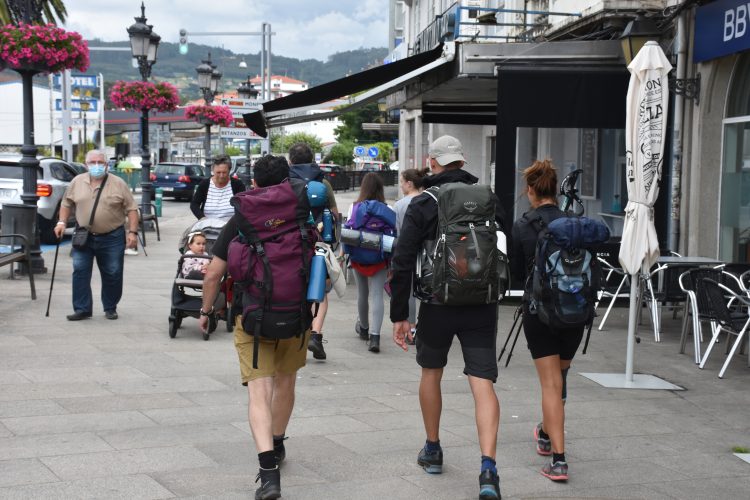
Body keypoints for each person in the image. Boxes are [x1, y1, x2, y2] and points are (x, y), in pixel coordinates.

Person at [390, 135, 507, 500]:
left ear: (433, 162)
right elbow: (508, 246)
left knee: (431, 372)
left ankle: (433, 448)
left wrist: (400, 316)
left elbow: (403, 259)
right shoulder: (489, 197)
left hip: (437, 304)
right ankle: (488, 467)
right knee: (482, 381)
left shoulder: (424, 203)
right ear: (462, 160)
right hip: (482, 305)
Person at [199, 155, 309, 500]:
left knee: (258, 391)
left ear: (255, 183)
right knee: (286, 380)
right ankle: (277, 443)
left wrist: (205, 310)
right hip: (296, 313)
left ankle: (268, 472)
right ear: (286, 182)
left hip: (253, 316)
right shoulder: (302, 212)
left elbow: (215, 273)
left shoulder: (243, 217)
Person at [510, 159, 580, 482]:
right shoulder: (573, 222)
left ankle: (559, 460)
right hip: (574, 311)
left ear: (530, 191)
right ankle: (543, 431)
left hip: (540, 313)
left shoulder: (523, 225)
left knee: (550, 384)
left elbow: (516, 272)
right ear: (554, 190)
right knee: (560, 380)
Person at [54, 149, 139, 321]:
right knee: (80, 271)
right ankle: (82, 308)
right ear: (86, 165)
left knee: (113, 272)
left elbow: (131, 209)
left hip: (112, 236)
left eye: (100, 162)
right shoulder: (77, 182)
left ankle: (110, 307)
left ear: (107, 165)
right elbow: (66, 203)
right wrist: (61, 222)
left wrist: (133, 233)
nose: (97, 166)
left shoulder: (118, 183)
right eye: (93, 162)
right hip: (83, 235)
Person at [287, 143, 339, 361]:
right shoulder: (323, 182)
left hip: (291, 242)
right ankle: (316, 335)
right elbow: (335, 215)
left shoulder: (286, 182)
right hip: (317, 241)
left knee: (294, 286)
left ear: (290, 161)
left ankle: (295, 335)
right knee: (321, 290)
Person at [345, 173, 396, 353]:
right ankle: (375, 337)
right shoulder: (387, 208)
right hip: (379, 257)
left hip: (358, 256)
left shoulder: (354, 207)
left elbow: (348, 232)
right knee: (376, 296)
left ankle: (364, 329)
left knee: (362, 294)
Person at [392, 168, 428, 342]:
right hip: (427, 252)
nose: (401, 186)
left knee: (410, 289)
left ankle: (411, 326)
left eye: (401, 182)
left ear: (409, 183)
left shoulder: (399, 205)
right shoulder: (428, 201)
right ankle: (424, 324)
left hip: (407, 251)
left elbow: (398, 232)